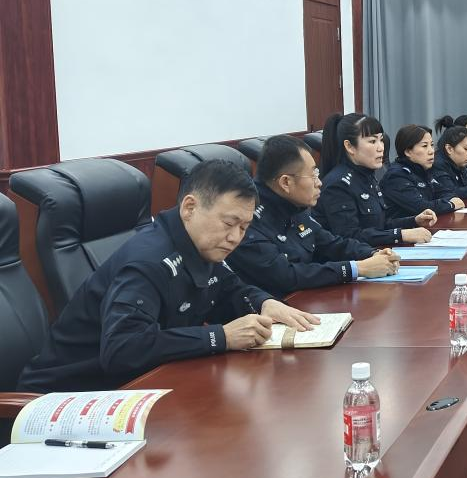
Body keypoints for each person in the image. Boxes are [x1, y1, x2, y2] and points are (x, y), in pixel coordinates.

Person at [18, 160, 319, 393]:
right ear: (190, 207)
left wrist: (264, 303)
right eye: (229, 223)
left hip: (137, 385)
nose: (235, 237)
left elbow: (228, 289)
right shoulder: (147, 263)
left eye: (244, 227)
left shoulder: (197, 244)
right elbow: (123, 349)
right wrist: (221, 337)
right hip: (68, 399)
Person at [228, 135, 402, 296]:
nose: (319, 183)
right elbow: (285, 276)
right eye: (313, 175)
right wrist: (357, 268)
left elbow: (331, 244)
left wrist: (373, 254)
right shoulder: (248, 218)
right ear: (286, 182)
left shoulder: (293, 206)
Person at [313, 112, 437, 246]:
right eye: (372, 141)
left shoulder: (367, 176)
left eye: (381, 140)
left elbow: (379, 225)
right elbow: (350, 237)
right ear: (349, 146)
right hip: (358, 257)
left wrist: (414, 221)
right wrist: (400, 235)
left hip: (377, 252)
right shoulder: (338, 184)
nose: (381, 148)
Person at [383, 124, 464, 219]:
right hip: (406, 227)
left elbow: (446, 192)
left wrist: (451, 200)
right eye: (425, 146)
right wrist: (451, 204)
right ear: (408, 151)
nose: (431, 151)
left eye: (432, 145)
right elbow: (421, 208)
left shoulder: (422, 170)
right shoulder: (396, 176)